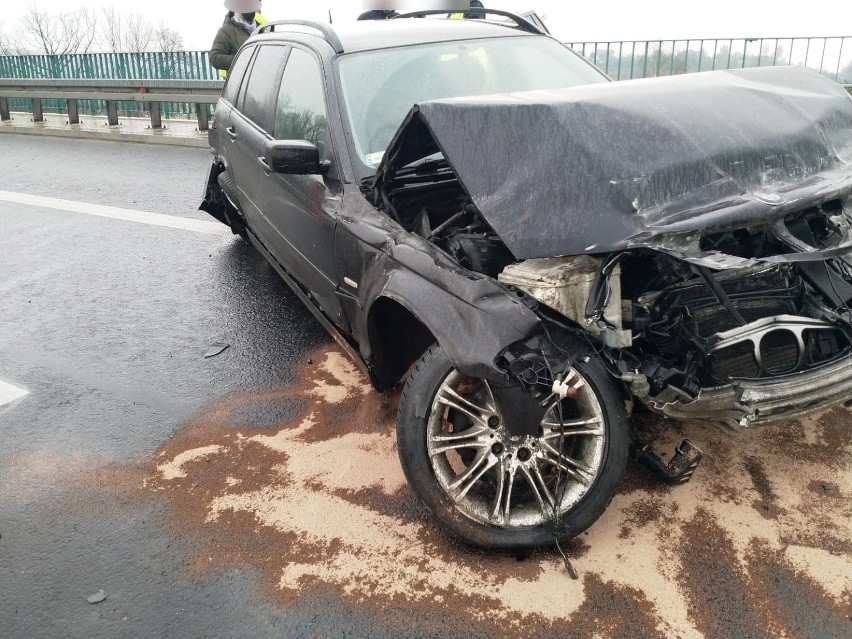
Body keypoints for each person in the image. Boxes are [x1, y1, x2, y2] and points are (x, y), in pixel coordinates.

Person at [210, 0, 267, 77]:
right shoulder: (227, 30)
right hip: (239, 83)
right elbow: (214, 58)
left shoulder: (260, 28)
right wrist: (242, 59)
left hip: (259, 80)